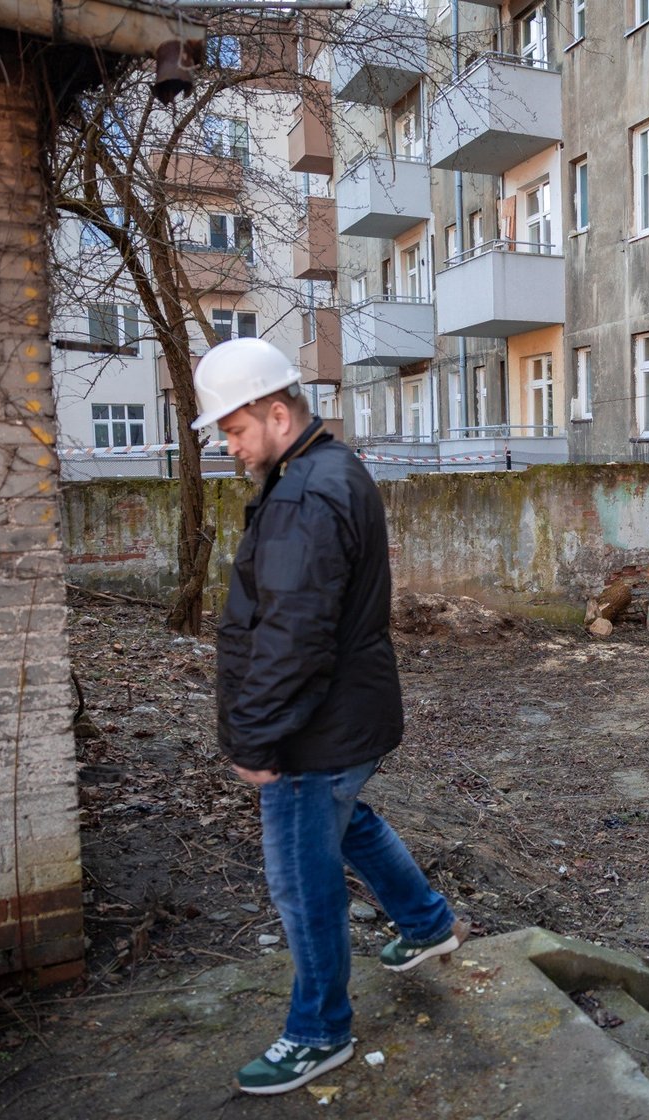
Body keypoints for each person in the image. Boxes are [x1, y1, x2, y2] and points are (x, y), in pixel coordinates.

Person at [191, 338, 467, 1096]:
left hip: (312, 729)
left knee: (302, 881)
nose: (229, 445)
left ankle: (319, 1032)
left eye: (235, 429)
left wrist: (255, 736)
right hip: (346, 714)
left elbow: (292, 634)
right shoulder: (328, 469)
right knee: (347, 824)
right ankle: (427, 924)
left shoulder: (305, 495)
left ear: (277, 415)